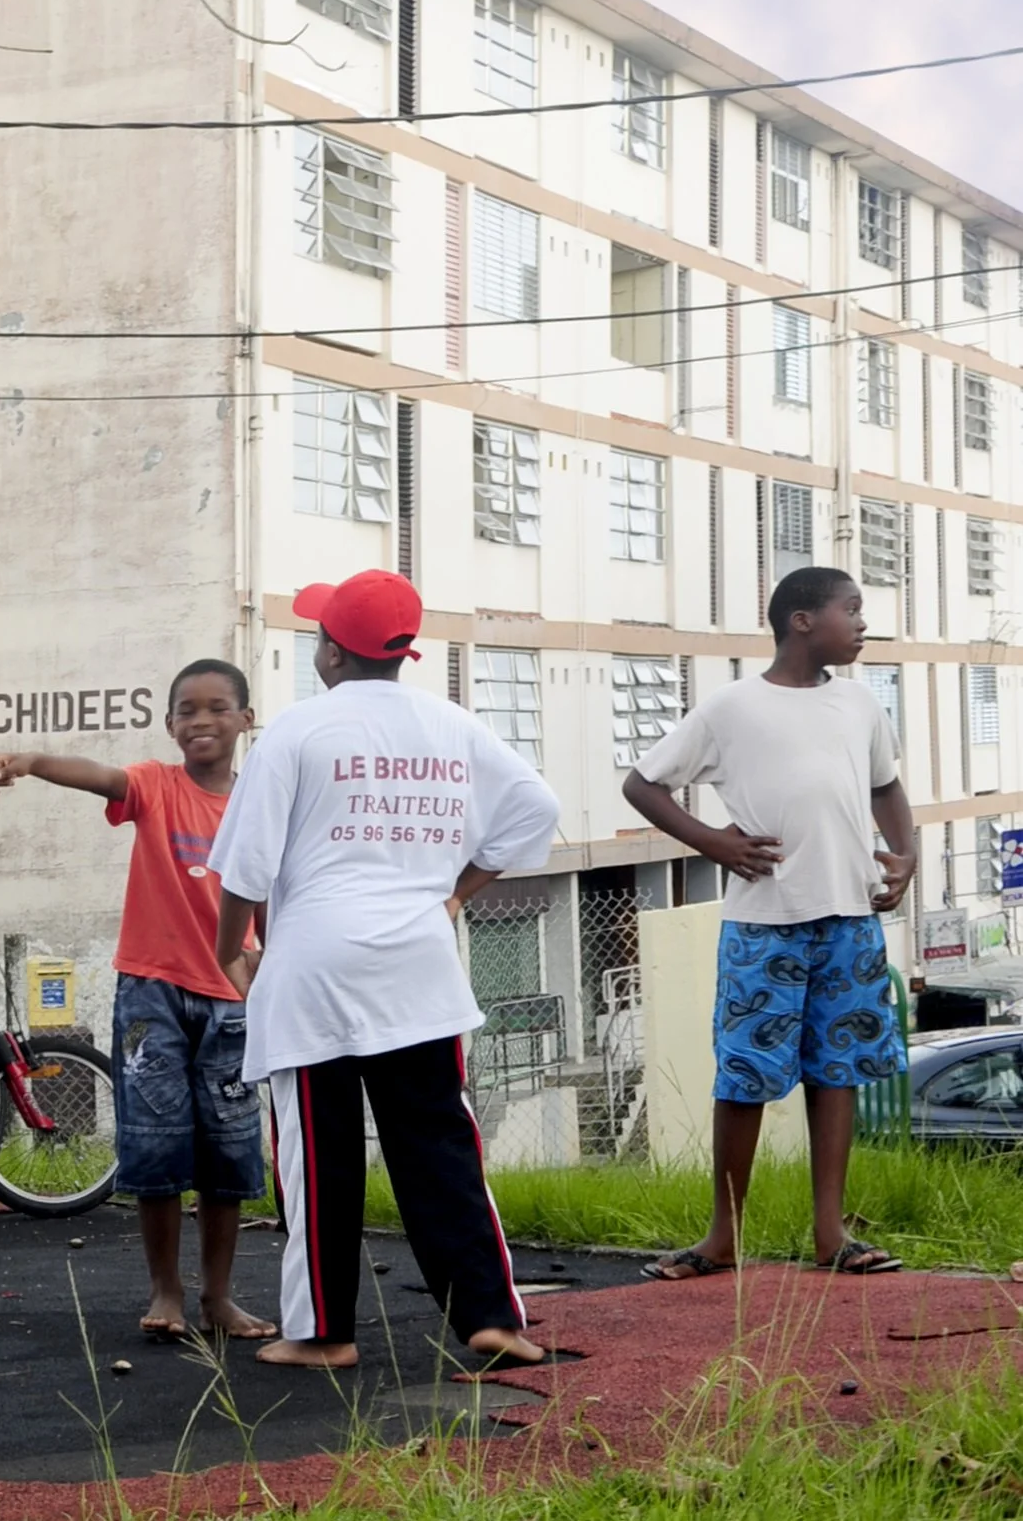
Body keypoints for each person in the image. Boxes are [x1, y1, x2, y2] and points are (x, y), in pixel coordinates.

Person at [210, 569, 556, 1375]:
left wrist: (233, 950)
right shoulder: (453, 726)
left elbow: (246, 869)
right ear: (403, 652)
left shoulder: (297, 731)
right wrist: (455, 894)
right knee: (440, 1145)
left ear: (332, 651)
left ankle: (324, 1332)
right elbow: (535, 808)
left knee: (318, 1155)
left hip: (315, 965)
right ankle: (490, 1316)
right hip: (418, 965)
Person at [621, 562, 917, 1281]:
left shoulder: (859, 703)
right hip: (766, 922)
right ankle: (722, 1236)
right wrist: (713, 843)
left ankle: (831, 1233)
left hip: (849, 917)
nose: (864, 622)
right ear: (802, 621)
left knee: (837, 1072)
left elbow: (886, 786)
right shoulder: (733, 707)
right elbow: (643, 783)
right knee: (746, 1074)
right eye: (852, 608)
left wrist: (906, 856)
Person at [0, 657, 270, 1346]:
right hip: (152, 994)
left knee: (227, 1150)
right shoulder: (157, 786)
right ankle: (166, 1289)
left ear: (245, 719)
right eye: (187, 710)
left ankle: (218, 1295)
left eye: (217, 707)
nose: (201, 720)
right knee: (155, 1143)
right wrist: (30, 762)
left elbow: (270, 889)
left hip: (232, 997)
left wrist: (269, 964)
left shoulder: (259, 803)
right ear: (169, 724)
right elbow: (99, 776)